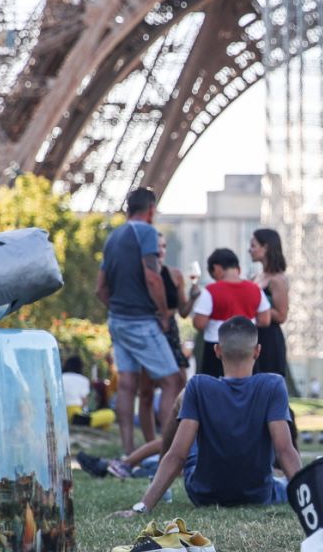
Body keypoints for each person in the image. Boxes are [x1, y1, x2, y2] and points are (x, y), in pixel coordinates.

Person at [113, 317, 302, 515]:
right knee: (281, 484)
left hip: (203, 494)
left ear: (217, 351)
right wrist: (311, 500)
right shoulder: (273, 385)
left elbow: (177, 455)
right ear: (257, 351)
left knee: (182, 403)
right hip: (258, 494)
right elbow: (285, 450)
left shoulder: (198, 386)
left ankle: (157, 477)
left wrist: (142, 507)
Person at [97, 187, 185, 456]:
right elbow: (153, 278)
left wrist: (119, 310)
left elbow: (100, 288)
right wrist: (163, 313)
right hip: (142, 320)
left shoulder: (113, 237)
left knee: (127, 384)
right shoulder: (146, 232)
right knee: (172, 382)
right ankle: (169, 452)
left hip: (117, 320)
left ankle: (128, 450)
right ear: (151, 210)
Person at [136, 231, 197, 441]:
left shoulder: (175, 275)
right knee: (146, 391)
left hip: (170, 331)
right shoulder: (141, 275)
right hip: (148, 331)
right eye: (156, 247)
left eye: (163, 246)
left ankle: (171, 440)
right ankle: (151, 443)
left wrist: (193, 297)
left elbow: (183, 312)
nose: (160, 251)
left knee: (179, 383)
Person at [191, 248, 270, 378]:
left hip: (217, 347)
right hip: (247, 346)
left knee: (213, 384)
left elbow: (199, 323)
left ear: (216, 268)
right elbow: (265, 319)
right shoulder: (255, 289)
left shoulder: (211, 291)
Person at [249, 229, 292, 383]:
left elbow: (281, 315)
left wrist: (257, 307)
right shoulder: (255, 277)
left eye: (253, 246)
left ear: (265, 247)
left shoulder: (277, 280)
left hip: (269, 340)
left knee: (269, 384)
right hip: (253, 336)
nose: (249, 250)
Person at [63, 356, 114, 429]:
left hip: (61, 413)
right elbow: (84, 401)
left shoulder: (60, 377)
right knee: (110, 414)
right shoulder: (83, 380)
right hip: (75, 416)